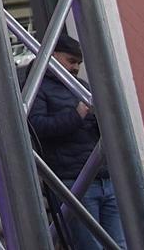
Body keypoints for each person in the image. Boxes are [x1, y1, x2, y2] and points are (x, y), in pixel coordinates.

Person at [30, 34, 123, 250]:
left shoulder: (82, 86)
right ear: (52, 56)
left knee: (118, 244)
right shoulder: (36, 87)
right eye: (71, 61)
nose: (75, 67)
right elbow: (37, 128)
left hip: (104, 178)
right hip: (72, 181)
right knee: (89, 245)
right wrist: (77, 115)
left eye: (79, 63)